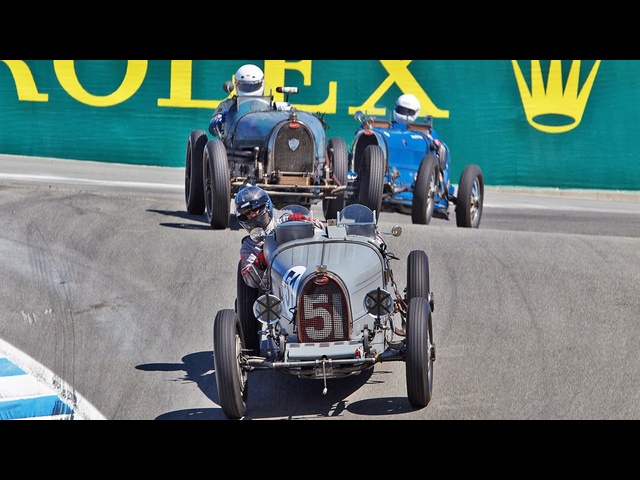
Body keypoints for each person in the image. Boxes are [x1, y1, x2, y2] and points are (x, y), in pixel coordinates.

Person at [235, 186, 323, 289]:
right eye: (246, 213)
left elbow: (320, 227)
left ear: (265, 207)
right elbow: (249, 280)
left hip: (305, 269)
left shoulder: (285, 221)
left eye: (254, 209)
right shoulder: (248, 246)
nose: (251, 215)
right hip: (274, 288)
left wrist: (305, 220)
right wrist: (261, 260)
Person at [394, 93, 451, 183]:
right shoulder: (384, 128)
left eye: (409, 112)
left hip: (420, 178)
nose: (405, 114)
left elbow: (438, 150)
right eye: (401, 110)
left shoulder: (429, 133)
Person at [209, 64, 266, 139]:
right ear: (236, 84)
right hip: (232, 144)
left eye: (252, 86)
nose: (248, 89)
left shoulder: (268, 105)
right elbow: (212, 128)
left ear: (261, 84)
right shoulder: (228, 104)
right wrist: (222, 120)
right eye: (244, 86)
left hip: (263, 142)